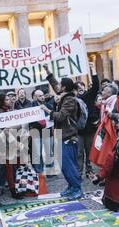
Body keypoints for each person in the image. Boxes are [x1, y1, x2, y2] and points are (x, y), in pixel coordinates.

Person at [40, 64, 83, 200]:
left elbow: (61, 116)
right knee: (64, 166)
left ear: (64, 87)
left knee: (69, 165)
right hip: (61, 135)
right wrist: (48, 71)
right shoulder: (63, 96)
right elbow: (54, 84)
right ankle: (71, 186)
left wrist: (47, 111)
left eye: (61, 85)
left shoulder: (69, 100)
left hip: (68, 137)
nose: (58, 86)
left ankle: (77, 188)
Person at [89, 83, 119, 168]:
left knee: (111, 154)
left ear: (109, 93)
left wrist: (113, 115)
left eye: (104, 91)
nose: (102, 92)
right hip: (105, 132)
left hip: (114, 133)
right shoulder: (105, 103)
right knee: (105, 153)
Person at [76, 62, 100, 178]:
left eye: (81, 86)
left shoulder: (89, 95)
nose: (80, 88)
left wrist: (93, 69)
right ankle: (79, 171)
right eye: (77, 87)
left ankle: (89, 170)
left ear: (85, 88)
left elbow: (96, 86)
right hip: (78, 131)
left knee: (89, 152)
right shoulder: (73, 100)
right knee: (79, 153)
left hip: (89, 129)